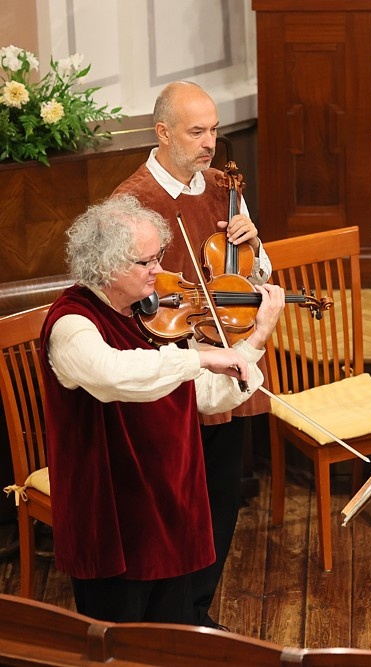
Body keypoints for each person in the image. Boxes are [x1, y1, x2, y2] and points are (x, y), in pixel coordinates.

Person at [39, 196, 285, 624]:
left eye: (158, 257)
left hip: (169, 502)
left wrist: (255, 341)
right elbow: (114, 375)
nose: (160, 270)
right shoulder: (71, 323)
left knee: (171, 633)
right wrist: (201, 358)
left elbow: (205, 395)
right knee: (121, 639)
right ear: (108, 265)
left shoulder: (153, 316)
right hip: (113, 512)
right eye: (146, 262)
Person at [112, 80, 272, 627]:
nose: (211, 143)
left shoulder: (224, 186)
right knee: (176, 504)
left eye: (215, 130)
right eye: (197, 131)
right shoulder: (129, 201)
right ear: (162, 133)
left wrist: (253, 246)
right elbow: (116, 295)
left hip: (229, 358)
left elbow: (259, 276)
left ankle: (198, 614)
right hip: (172, 370)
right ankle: (165, 622)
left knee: (220, 498)